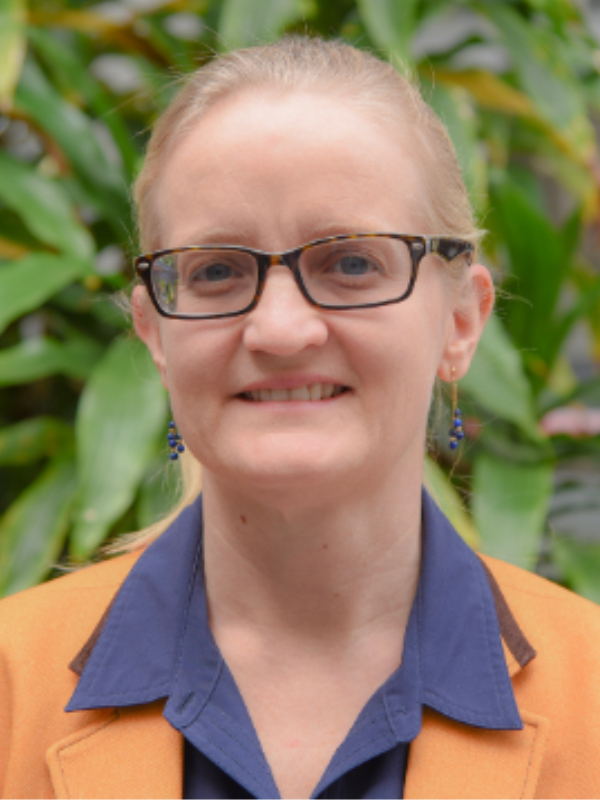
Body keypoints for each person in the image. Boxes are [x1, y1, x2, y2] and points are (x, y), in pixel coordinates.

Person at [1, 36, 600, 800]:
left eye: (352, 263)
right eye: (217, 270)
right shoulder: (9, 687)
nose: (280, 331)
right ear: (156, 334)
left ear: (461, 321)